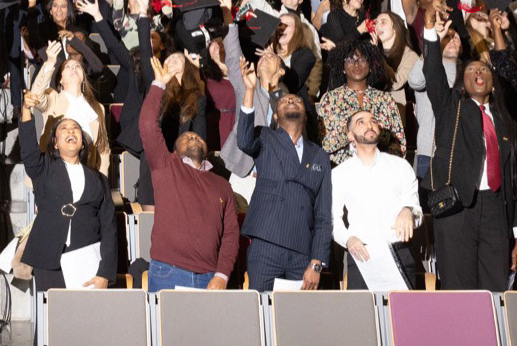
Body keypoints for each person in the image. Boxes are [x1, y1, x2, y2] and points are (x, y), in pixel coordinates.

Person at [420, 10, 517, 291]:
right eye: (470, 70)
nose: (478, 72)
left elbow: (515, 182)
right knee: (459, 287)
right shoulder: (450, 108)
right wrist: (430, 30)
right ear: (462, 83)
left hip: (496, 209)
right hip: (457, 207)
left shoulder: (506, 122)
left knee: (496, 287)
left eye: (483, 70)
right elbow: (432, 73)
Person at [139, 54, 239, 291]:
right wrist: (158, 85)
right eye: (185, 137)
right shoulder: (166, 167)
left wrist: (222, 275)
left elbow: (231, 235)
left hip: (209, 277)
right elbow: (147, 126)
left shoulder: (221, 184)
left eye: (195, 135)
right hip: (168, 272)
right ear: (175, 150)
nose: (192, 135)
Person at [236, 51, 330, 291]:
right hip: (266, 242)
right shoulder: (266, 138)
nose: (291, 100)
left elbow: (322, 215)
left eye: (297, 100)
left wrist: (316, 263)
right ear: (275, 116)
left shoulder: (318, 155)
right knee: (262, 312)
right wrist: (249, 91)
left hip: (302, 251)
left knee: (297, 321)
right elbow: (245, 141)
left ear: (306, 117)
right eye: (284, 100)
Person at [17, 91, 116, 291]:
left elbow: (109, 228)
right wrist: (26, 110)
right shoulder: (43, 168)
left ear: (82, 142)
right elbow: (28, 148)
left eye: (76, 129)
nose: (71, 132)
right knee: (54, 319)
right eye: (64, 128)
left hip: (87, 261)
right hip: (49, 259)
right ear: (55, 142)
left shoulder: (99, 180)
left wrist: (104, 272)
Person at [330, 108, 421, 289]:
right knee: (362, 317)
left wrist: (408, 211)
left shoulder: (400, 166)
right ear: (350, 136)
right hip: (362, 254)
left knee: (402, 316)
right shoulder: (339, 173)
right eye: (360, 122)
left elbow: (417, 212)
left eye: (373, 121)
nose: (369, 125)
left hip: (399, 252)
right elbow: (333, 219)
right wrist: (348, 239)